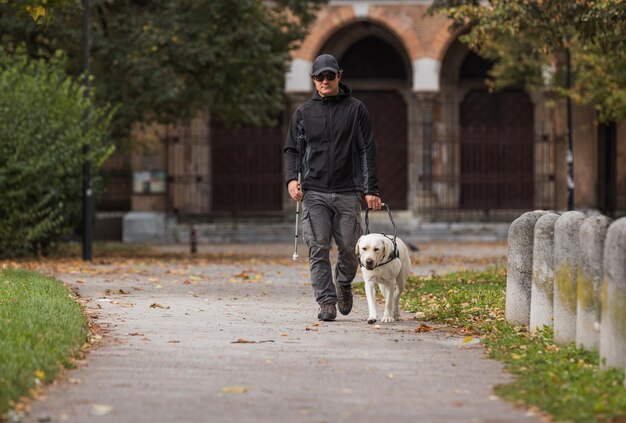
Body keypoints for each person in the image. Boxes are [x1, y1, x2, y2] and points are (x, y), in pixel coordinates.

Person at [284, 53, 382, 321]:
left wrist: (370, 188)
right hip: (314, 192)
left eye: (330, 75)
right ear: (313, 80)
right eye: (320, 77)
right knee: (317, 247)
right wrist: (292, 179)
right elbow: (292, 150)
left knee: (351, 248)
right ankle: (326, 301)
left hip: (348, 190)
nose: (325, 80)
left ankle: (343, 284)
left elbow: (367, 150)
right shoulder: (303, 112)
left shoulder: (356, 109)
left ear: (339, 75)